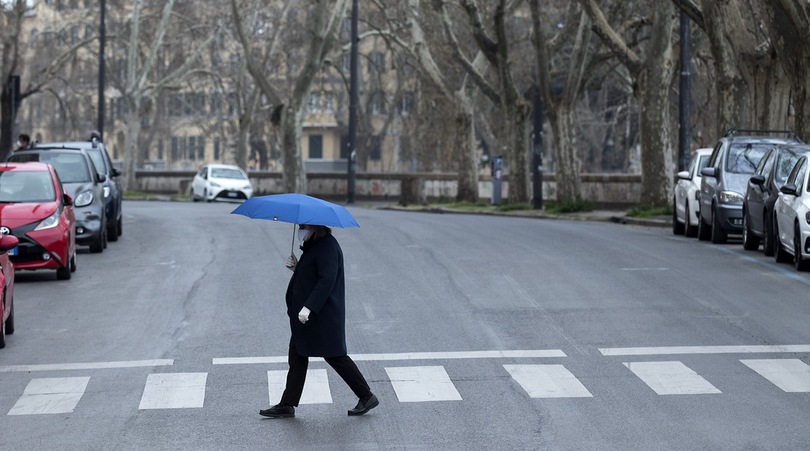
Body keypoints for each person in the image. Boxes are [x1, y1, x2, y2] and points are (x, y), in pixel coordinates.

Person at [260, 224, 379, 418]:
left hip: (322, 315)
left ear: (315, 226)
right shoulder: (315, 245)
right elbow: (312, 276)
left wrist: (309, 307)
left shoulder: (327, 247)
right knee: (297, 355)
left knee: (335, 356)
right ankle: (287, 404)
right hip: (308, 316)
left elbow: (326, 280)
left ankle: (366, 396)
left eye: (304, 226)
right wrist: (296, 268)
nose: (300, 229)